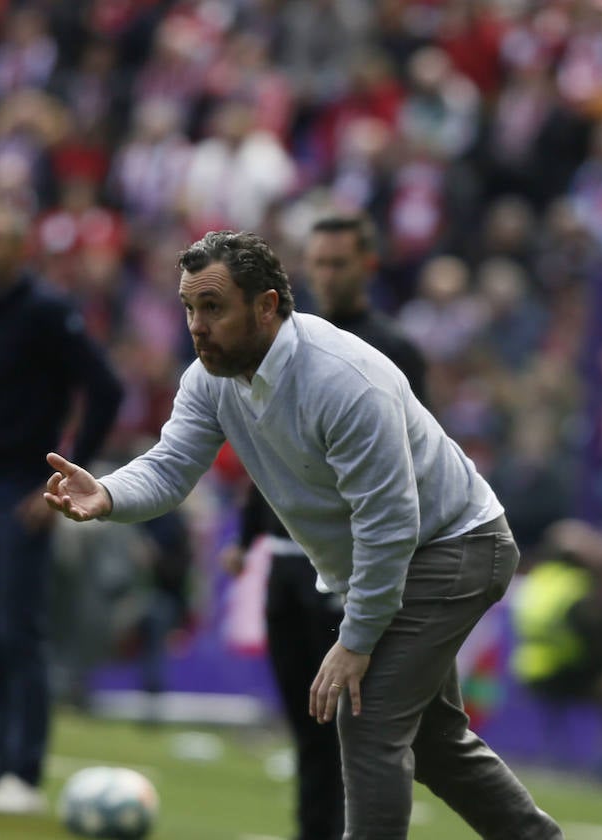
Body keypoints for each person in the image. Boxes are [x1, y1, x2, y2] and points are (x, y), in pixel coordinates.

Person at [44, 230, 562, 839]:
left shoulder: (342, 378)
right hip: (413, 551)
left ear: (267, 306)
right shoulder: (211, 377)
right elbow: (170, 465)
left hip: (457, 546)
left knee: (367, 718)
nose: (196, 326)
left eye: (213, 307)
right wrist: (107, 494)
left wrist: (357, 637)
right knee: (435, 742)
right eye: (188, 308)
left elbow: (389, 523)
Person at [218, 214, 426, 840]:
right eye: (318, 261)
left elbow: (405, 464)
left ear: (368, 264)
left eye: (339, 262)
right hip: (284, 559)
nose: (327, 274)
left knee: (353, 730)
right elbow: (271, 448)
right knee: (308, 728)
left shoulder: (392, 347)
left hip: (347, 566)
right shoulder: (286, 340)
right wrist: (247, 533)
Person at [0, 206, 123, 814]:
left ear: (21, 250)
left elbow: (106, 389)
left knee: (20, 633)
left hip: (21, 494)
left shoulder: (45, 312)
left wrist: (68, 473)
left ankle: (26, 776)